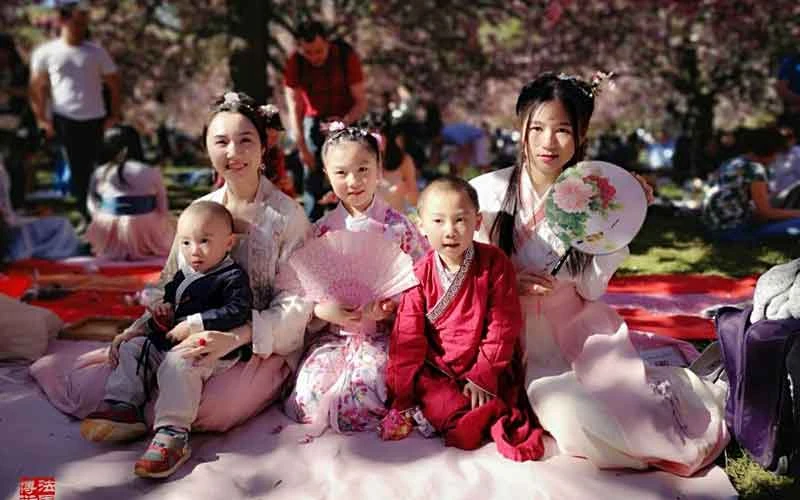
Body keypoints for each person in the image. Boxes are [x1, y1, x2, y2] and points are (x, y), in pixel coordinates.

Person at [470, 73, 727, 476]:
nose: (547, 142)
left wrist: (620, 228)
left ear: (581, 134)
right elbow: (451, 274)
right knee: (577, 420)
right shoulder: (485, 191)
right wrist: (504, 284)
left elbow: (590, 288)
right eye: (536, 128)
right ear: (519, 127)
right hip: (505, 336)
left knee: (631, 425)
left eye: (562, 130)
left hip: (579, 330)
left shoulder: (594, 196)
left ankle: (685, 390)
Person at [73, 91, 313, 478]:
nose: (232, 151)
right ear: (206, 147)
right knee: (126, 363)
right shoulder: (201, 209)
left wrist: (236, 336)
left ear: (264, 147)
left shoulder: (287, 216)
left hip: (261, 344)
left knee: (208, 406)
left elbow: (297, 304)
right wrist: (143, 324)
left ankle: (168, 428)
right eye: (220, 142)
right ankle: (143, 411)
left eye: (245, 140)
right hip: (192, 335)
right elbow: (172, 281)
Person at [384, 176, 545, 461]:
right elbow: (407, 340)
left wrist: (482, 376)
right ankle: (469, 413)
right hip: (440, 369)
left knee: (495, 400)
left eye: (460, 220)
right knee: (447, 410)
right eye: (438, 221)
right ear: (420, 225)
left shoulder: (495, 264)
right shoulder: (416, 276)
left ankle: (485, 408)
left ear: (478, 221)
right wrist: (402, 398)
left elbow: (503, 327)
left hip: (485, 363)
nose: (450, 231)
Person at [80, 201, 251, 464]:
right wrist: (164, 311)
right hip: (171, 338)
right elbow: (170, 298)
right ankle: (123, 404)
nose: (194, 251)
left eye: (204, 241)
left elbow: (238, 310)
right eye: (185, 243)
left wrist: (195, 323)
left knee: (179, 365)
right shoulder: (184, 274)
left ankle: (173, 431)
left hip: (209, 345)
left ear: (228, 244)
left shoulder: (231, 277)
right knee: (134, 348)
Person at [284, 124, 429, 434]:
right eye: (341, 173)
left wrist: (391, 307)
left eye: (363, 169)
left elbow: (420, 283)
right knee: (309, 393)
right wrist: (321, 312)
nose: (354, 181)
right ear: (326, 173)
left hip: (384, 335)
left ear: (379, 168)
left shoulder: (399, 228)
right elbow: (302, 288)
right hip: (334, 334)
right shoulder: (322, 230)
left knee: (367, 391)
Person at [29, 0, 121, 219]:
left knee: (99, 168)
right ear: (62, 22)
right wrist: (42, 118)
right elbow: (37, 88)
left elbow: (114, 84)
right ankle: (86, 215)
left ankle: (105, 212)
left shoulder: (97, 53)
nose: (81, 28)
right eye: (76, 23)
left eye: (84, 23)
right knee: (78, 171)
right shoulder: (46, 53)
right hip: (65, 119)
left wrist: (114, 115)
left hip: (95, 118)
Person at [282, 20, 368, 220]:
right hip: (314, 120)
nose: (314, 58)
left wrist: (344, 123)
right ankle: (313, 225)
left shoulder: (346, 57)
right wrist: (301, 146)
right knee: (312, 175)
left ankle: (354, 220)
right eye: (308, 53)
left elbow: (361, 102)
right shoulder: (295, 62)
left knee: (350, 172)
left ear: (328, 43)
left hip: (347, 118)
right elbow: (294, 106)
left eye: (319, 51)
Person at [85, 126, 175, 260]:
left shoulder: (100, 172)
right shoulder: (150, 171)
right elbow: (162, 208)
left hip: (106, 228)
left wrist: (99, 218)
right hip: (144, 228)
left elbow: (91, 202)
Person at [703, 126, 800, 241]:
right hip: (731, 231)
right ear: (771, 152)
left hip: (712, 226)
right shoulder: (755, 170)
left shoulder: (734, 161)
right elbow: (765, 212)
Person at [0, 159, 79, 262]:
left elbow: (7, 210)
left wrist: (31, 215)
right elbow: (6, 217)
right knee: (62, 225)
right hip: (6, 226)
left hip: (9, 221)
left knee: (61, 222)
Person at [0, 33, 36, 209]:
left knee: (14, 163)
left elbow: (32, 93)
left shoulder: (22, 71)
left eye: (3, 52)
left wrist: (9, 90)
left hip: (16, 123)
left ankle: (17, 203)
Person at [378, 121, 420, 213]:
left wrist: (406, 191)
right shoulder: (361, 161)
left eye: (378, 134)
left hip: (394, 222)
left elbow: (414, 199)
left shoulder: (404, 160)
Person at [261, 103, 296, 198]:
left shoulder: (276, 154)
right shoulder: (249, 155)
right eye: (269, 137)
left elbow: (282, 178)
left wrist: (287, 186)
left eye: (276, 136)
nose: (273, 141)